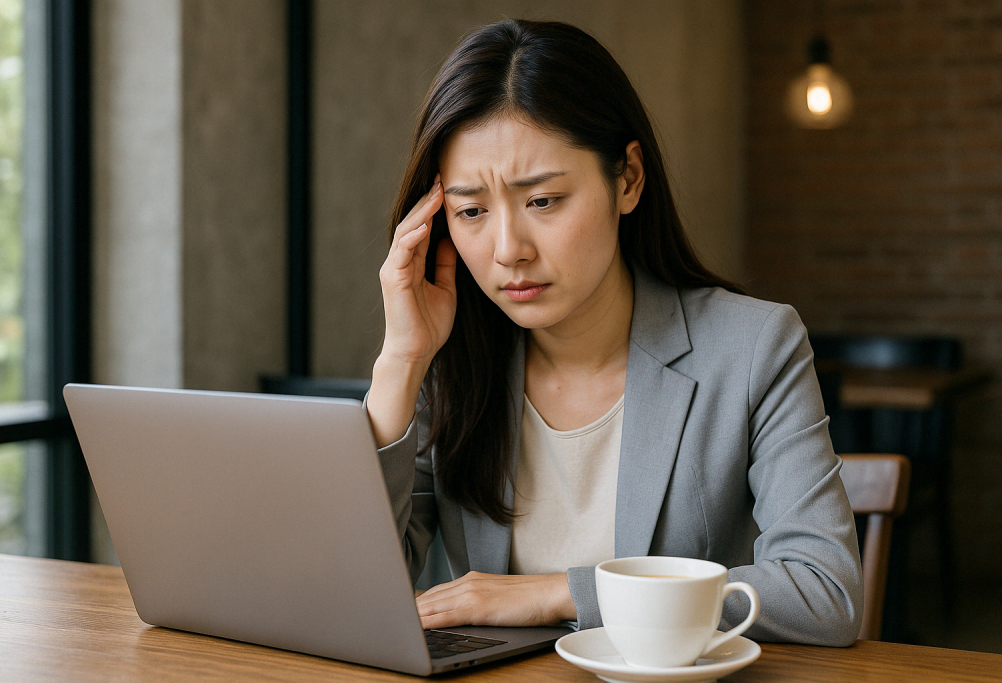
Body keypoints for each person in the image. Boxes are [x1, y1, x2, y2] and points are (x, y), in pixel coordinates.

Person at [364, 18, 862, 646]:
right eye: (471, 211)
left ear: (626, 178)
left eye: (542, 201)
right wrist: (401, 362)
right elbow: (356, 588)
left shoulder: (754, 346)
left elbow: (825, 593)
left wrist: (558, 593)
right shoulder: (451, 360)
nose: (507, 249)